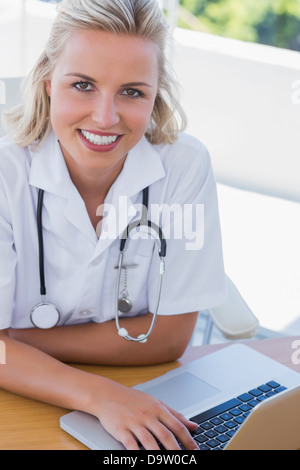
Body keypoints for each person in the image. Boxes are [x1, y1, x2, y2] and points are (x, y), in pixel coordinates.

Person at [0, 0, 226, 450]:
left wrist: (18, 343)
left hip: (146, 388)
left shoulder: (184, 165)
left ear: (156, 94)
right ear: (48, 82)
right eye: (83, 85)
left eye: (132, 92)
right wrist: (100, 395)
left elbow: (169, 338)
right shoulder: (5, 170)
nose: (105, 117)